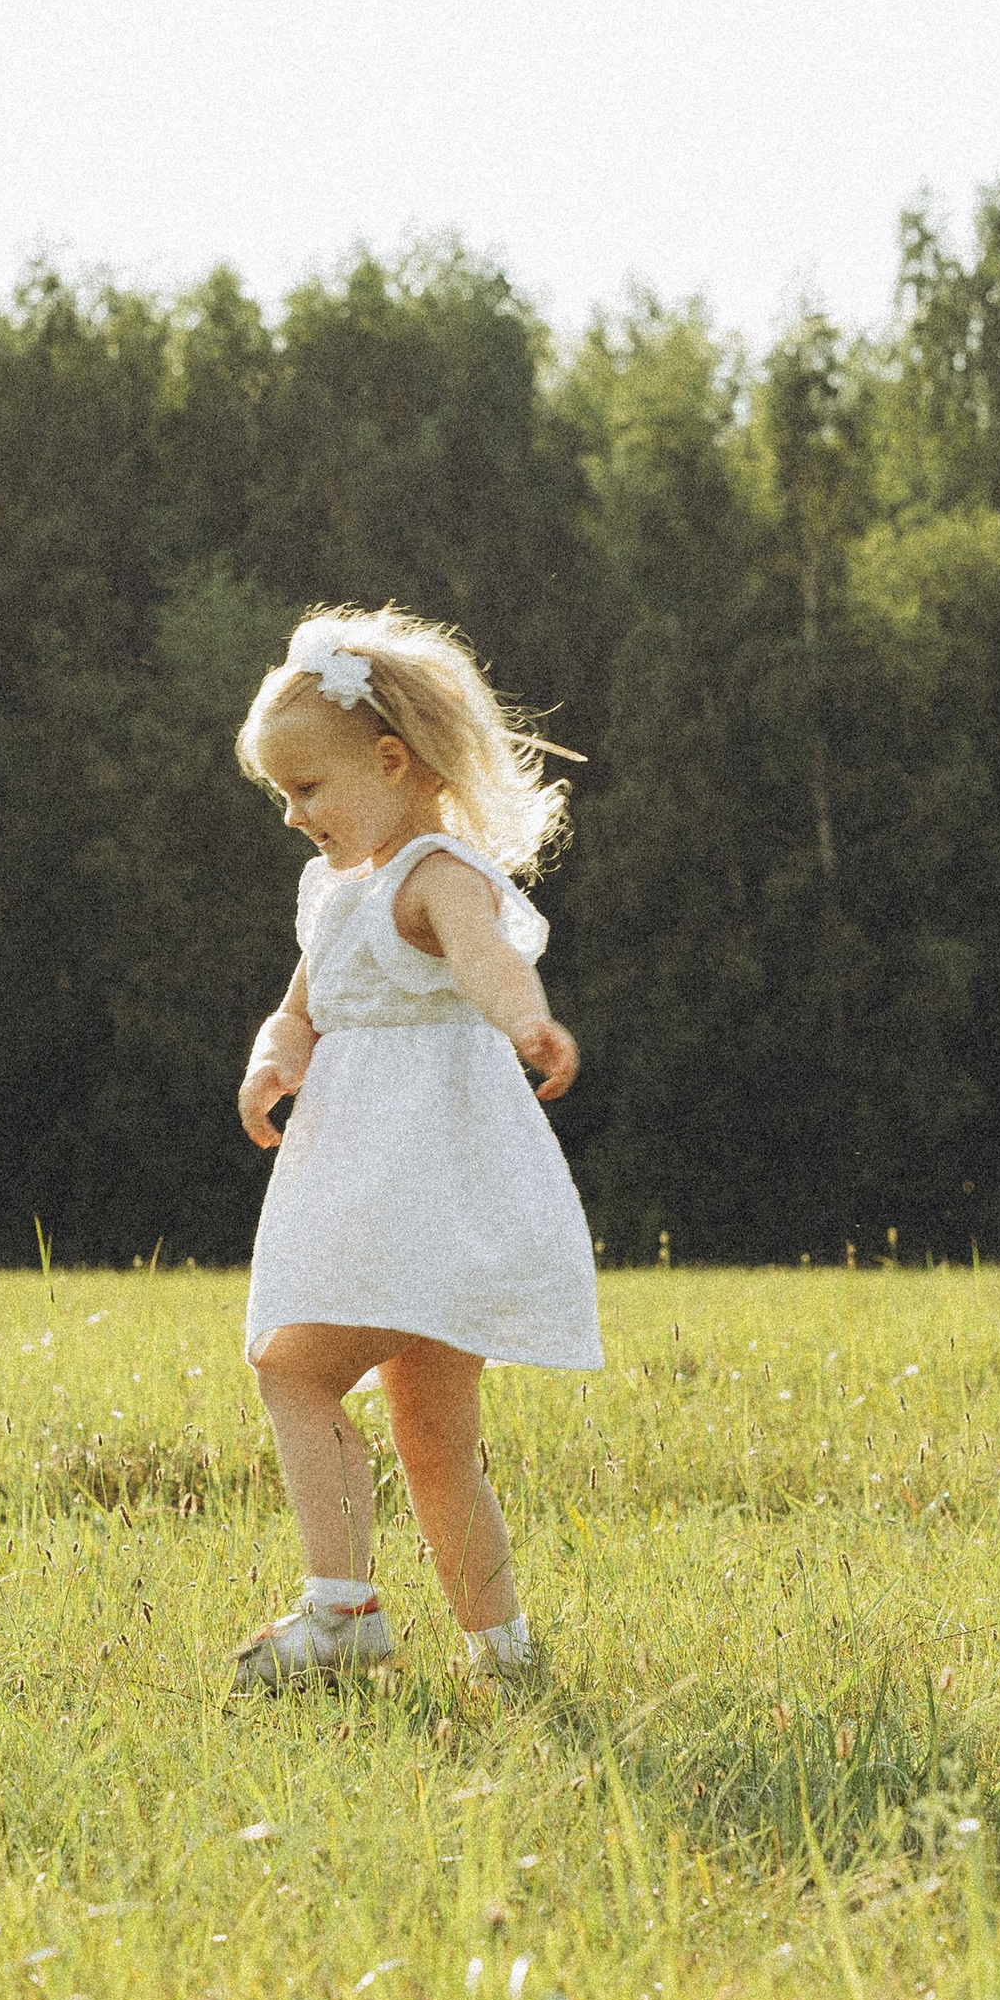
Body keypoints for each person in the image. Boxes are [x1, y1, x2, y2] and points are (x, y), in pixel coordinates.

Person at [230, 605, 603, 1690]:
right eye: (282, 793)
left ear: (391, 762)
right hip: (380, 1187)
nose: (295, 814)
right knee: (433, 1435)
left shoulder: (436, 874)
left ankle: (341, 1611)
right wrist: (272, 1059)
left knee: (292, 1367)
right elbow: (298, 1010)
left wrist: (524, 1019)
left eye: (309, 787)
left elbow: (487, 960)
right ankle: (505, 1653)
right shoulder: (339, 893)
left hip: (417, 1189)